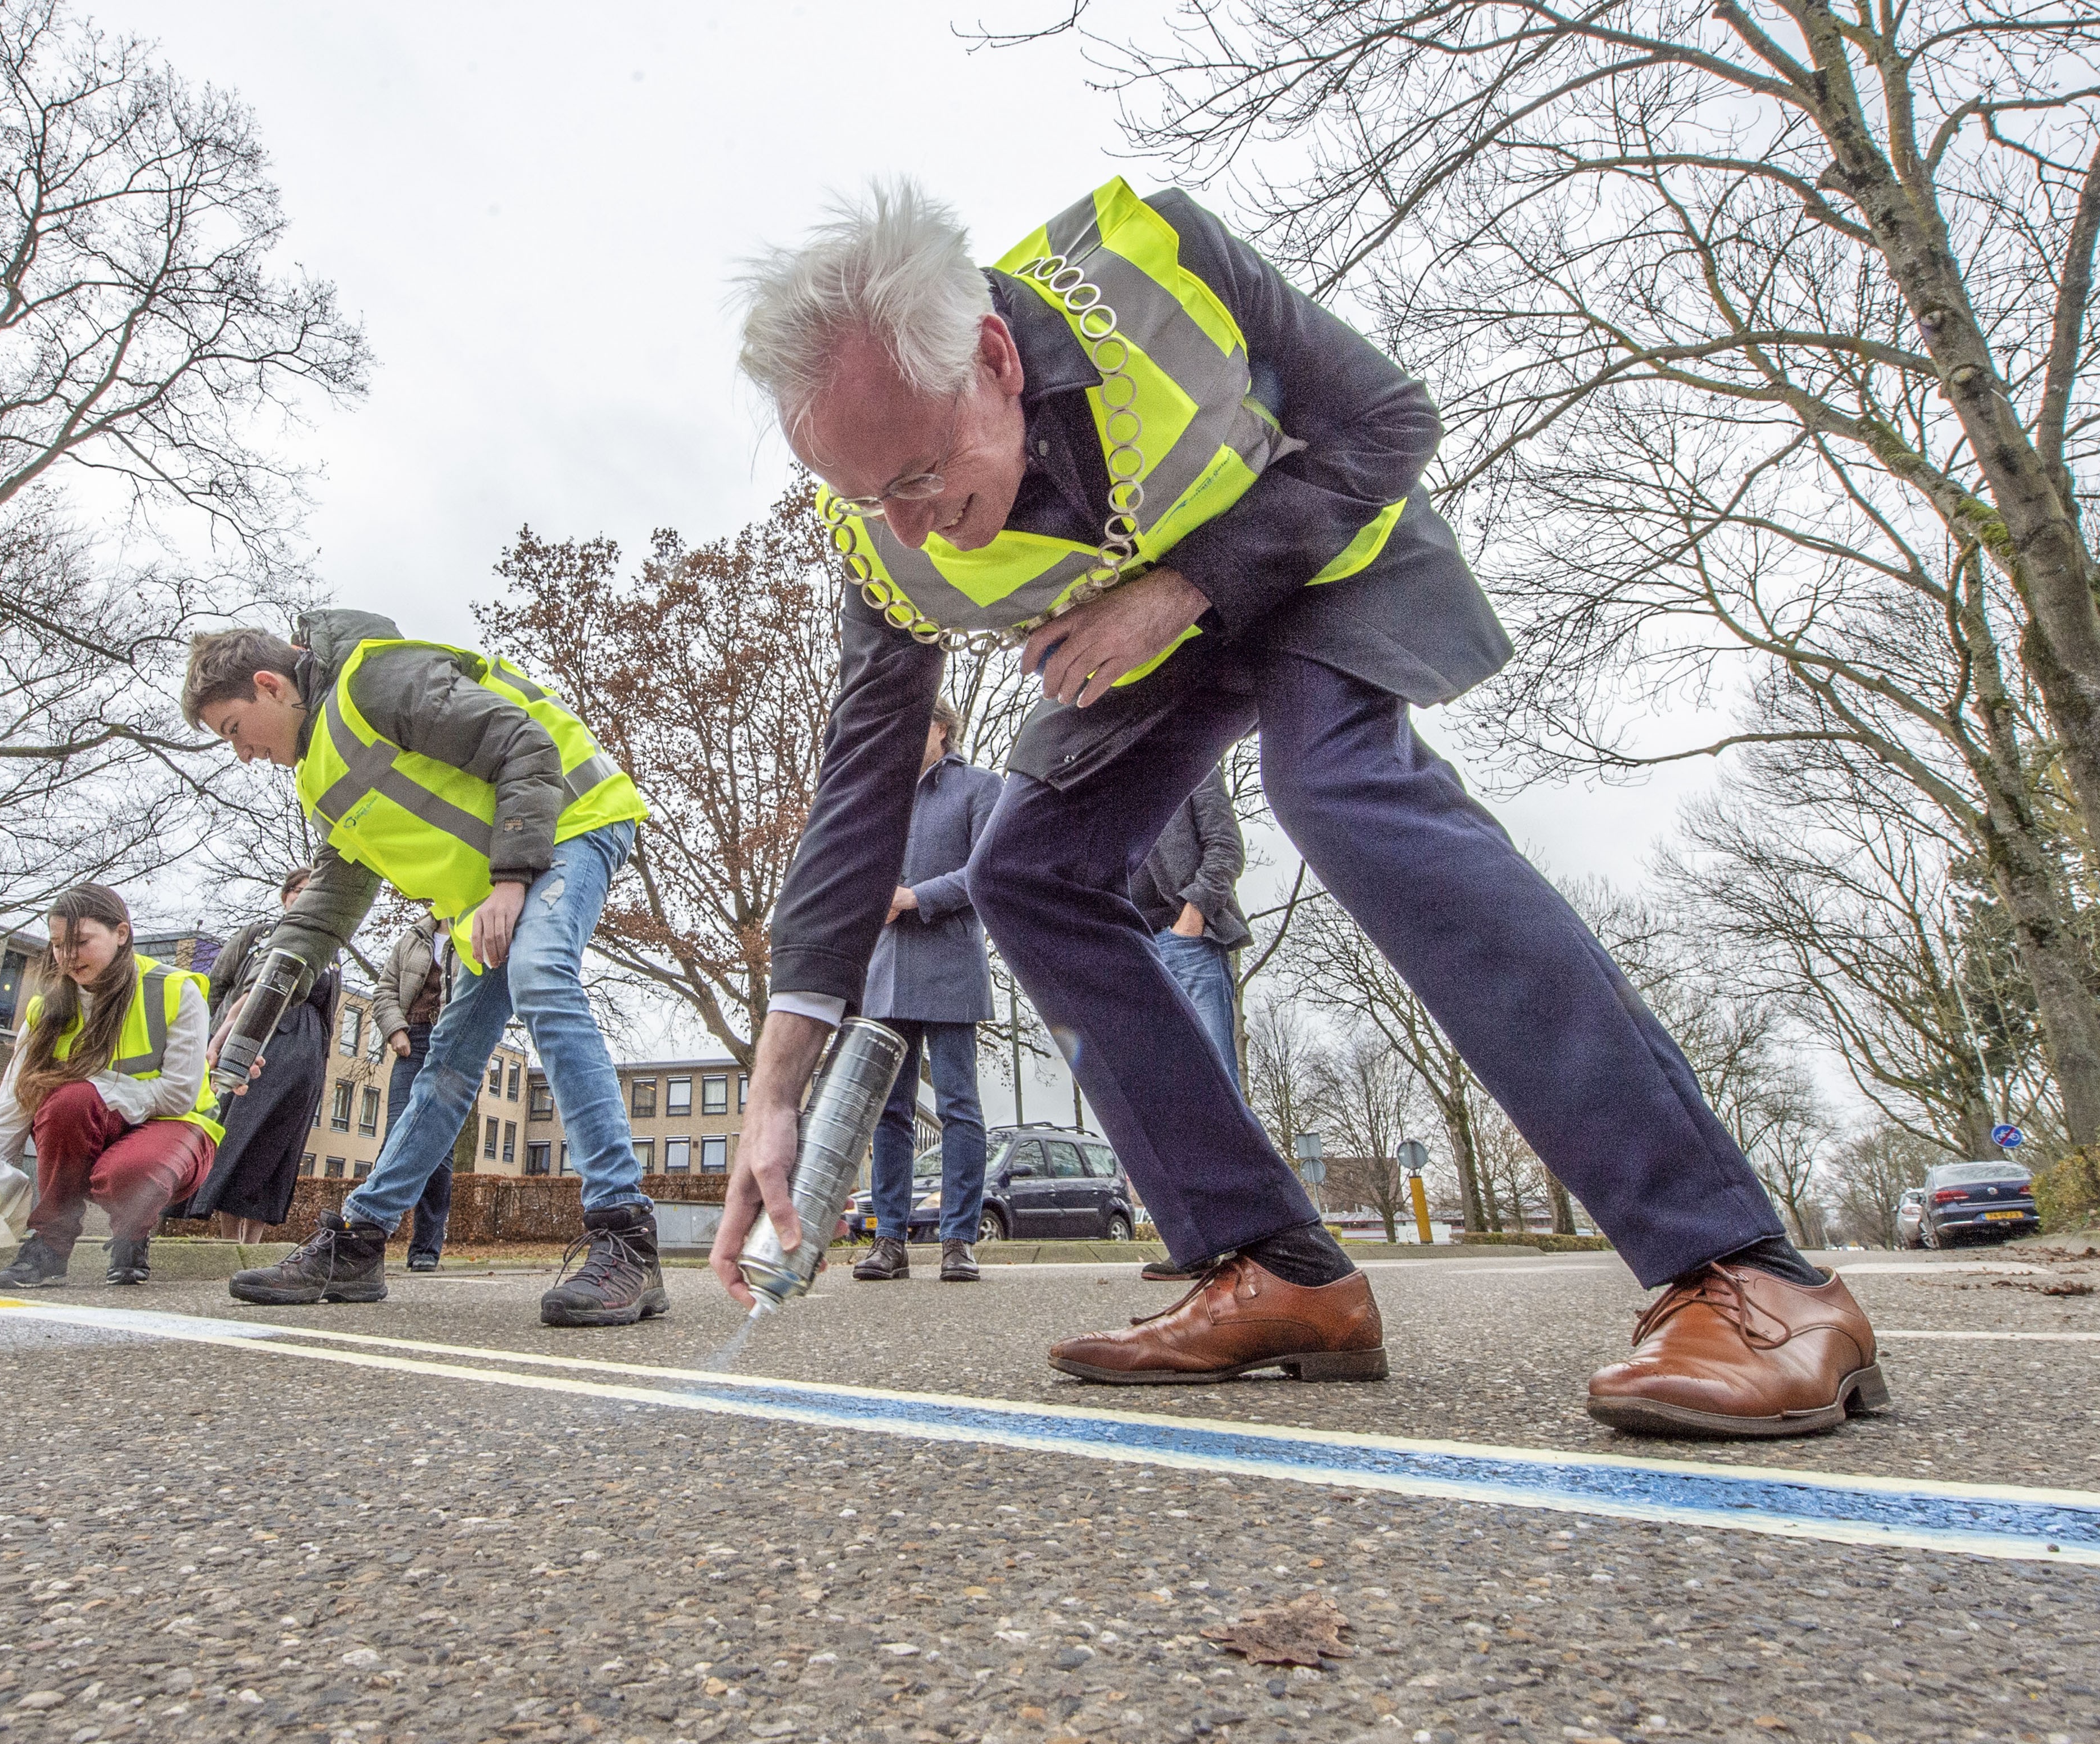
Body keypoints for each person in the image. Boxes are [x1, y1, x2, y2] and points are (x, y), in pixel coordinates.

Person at [712, 179, 1883, 1441]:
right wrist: (778, 1084)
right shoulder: (873, 519)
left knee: (1335, 784)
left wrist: (1179, 592)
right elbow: (862, 779)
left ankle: (1749, 1268)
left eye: (920, 476)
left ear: (993, 358)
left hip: (1317, 545)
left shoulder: (1149, 265)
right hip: (1146, 627)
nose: (906, 526)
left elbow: (1388, 422)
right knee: (1026, 871)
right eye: (864, 492)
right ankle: (1275, 1268)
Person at [183, 610, 666, 1328]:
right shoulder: (318, 782)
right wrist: (253, 1014)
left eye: (233, 729)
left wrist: (511, 878)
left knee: (541, 974)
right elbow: (327, 909)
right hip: (496, 885)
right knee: (447, 1065)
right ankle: (358, 1241)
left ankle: (626, 1236)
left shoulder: (373, 680)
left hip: (569, 820)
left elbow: (522, 741)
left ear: (268, 685)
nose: (242, 753)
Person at [0, 882, 221, 1290]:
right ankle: (49, 1246)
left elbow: (179, 1093)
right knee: (66, 1102)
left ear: (122, 934)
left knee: (121, 1166)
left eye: (81, 942)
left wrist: (100, 1091)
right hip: (97, 1124)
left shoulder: (175, 990)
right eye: (59, 945)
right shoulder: (46, 1010)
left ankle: (131, 1238)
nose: (68, 956)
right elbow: (12, 1106)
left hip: (177, 1128)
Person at [851, 695, 999, 1285]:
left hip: (951, 962)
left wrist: (916, 897)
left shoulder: (981, 788)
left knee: (960, 1104)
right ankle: (889, 1240)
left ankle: (958, 1240)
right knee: (890, 1109)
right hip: (886, 971)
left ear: (941, 728)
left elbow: (988, 871)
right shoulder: (880, 798)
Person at [176, 868, 341, 1248]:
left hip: (306, 1060)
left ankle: (254, 1241)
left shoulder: (330, 951)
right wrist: (217, 1034)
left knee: (278, 1148)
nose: (306, 898)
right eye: (300, 891)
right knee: (241, 1138)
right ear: (286, 896)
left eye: (315, 891)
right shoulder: (258, 935)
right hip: (259, 1046)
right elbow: (219, 983)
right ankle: (229, 1240)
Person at [1133, 772, 1254, 1282]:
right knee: (1166, 1100)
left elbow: (1227, 846)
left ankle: (1252, 1237)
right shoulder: (1110, 782)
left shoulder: (1193, 765)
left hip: (1189, 941)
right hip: (1137, 947)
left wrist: (1194, 913)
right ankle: (1197, 1241)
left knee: (1215, 1089)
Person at [368, 907, 458, 1271]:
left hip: (452, 1045)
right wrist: (395, 1030)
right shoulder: (412, 938)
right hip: (413, 1040)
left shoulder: (473, 930)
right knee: (396, 1137)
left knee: (440, 1148)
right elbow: (385, 991)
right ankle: (367, 1236)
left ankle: (425, 1247)